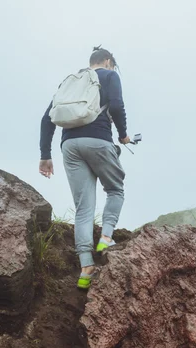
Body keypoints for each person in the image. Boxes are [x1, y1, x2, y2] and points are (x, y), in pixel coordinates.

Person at [39, 46, 129, 289]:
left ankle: (86, 267)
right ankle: (106, 237)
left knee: (83, 208)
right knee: (115, 189)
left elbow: (47, 118)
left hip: (69, 145)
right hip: (98, 139)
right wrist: (123, 135)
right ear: (108, 61)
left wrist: (45, 155)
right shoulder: (110, 76)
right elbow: (118, 106)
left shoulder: (71, 81)